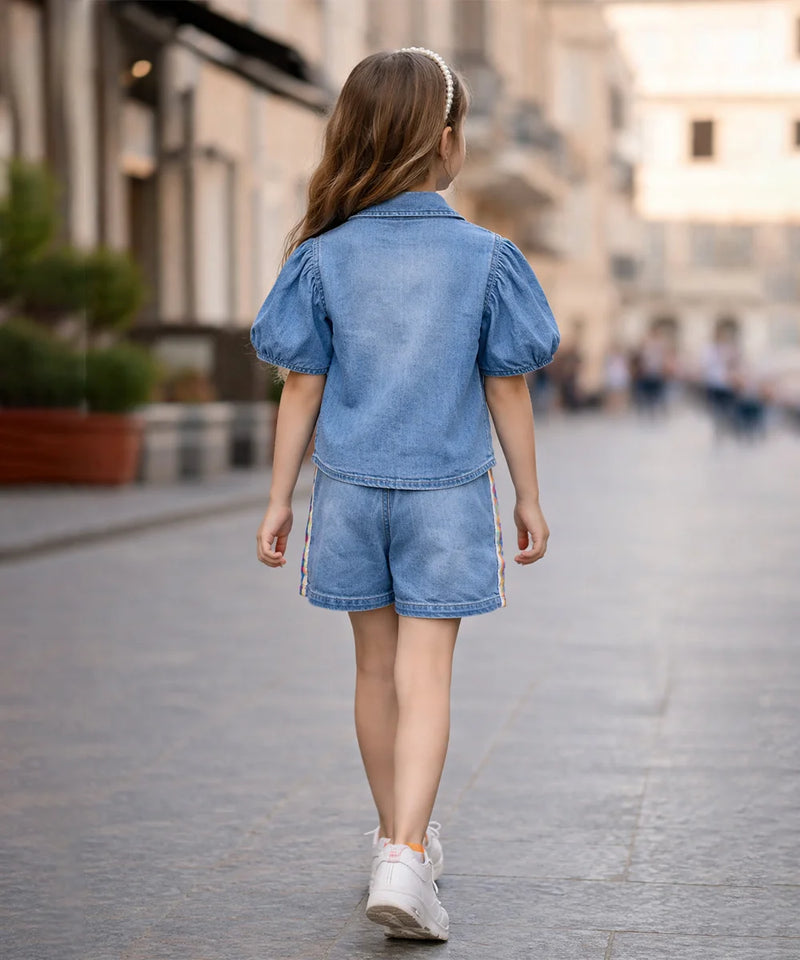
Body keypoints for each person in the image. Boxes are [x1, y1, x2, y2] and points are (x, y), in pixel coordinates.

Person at [250, 47, 560, 942]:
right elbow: (508, 386)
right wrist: (528, 497)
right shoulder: (487, 258)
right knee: (426, 677)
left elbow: (299, 386)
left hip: (348, 494)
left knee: (373, 673)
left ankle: (396, 839)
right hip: (447, 496)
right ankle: (407, 853)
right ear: (447, 140)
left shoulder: (322, 255)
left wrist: (279, 499)